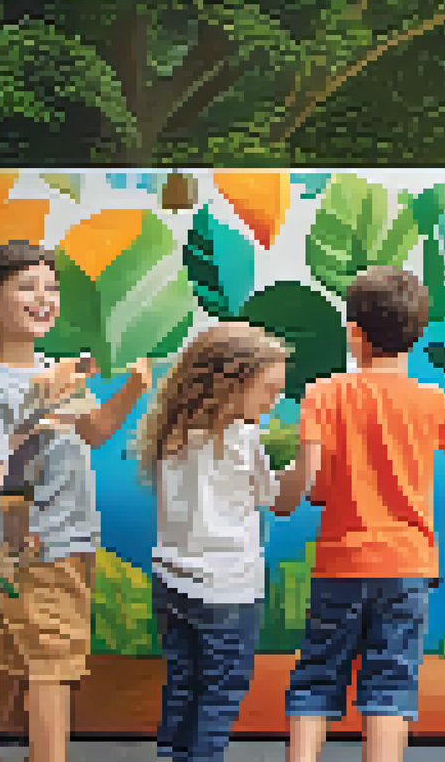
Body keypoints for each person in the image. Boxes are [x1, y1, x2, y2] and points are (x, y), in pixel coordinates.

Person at [283, 266, 445, 762]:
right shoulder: (432, 400)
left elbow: (313, 479)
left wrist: (319, 492)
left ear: (353, 333)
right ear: (416, 335)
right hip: (407, 567)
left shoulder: (321, 394)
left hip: (340, 563)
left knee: (316, 675)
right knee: (391, 680)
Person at [0, 240, 152, 762]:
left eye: (51, 286)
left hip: (65, 539)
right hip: (35, 546)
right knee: (53, 668)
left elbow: (96, 431)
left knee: (6, 658)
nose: (43, 298)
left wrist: (132, 389)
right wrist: (34, 413)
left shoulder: (56, 371)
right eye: (27, 286)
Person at [134, 322, 313, 762]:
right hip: (227, 590)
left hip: (171, 582)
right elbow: (282, 501)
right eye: (268, 390)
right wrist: (309, 455)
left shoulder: (168, 434)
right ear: (230, 385)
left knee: (183, 684)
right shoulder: (242, 438)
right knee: (220, 694)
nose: (273, 402)